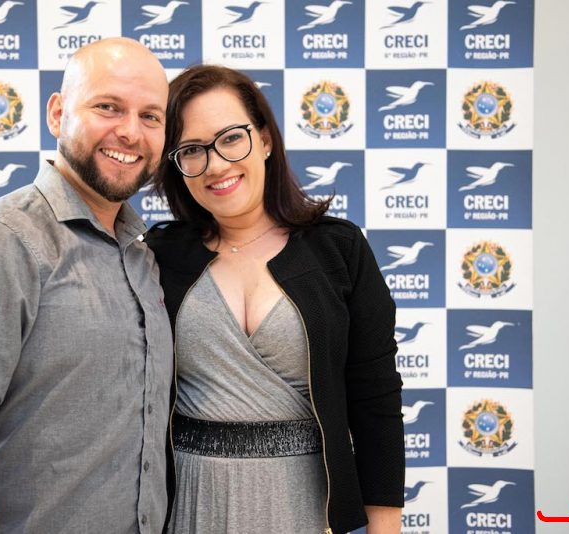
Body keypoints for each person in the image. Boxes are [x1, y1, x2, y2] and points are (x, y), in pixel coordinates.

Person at [0, 38, 174, 534]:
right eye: (108, 107)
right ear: (57, 114)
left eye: (150, 116)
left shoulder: (139, 253)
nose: (130, 131)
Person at [144, 65, 405, 534]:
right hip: (188, 507)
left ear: (264, 139)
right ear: (176, 165)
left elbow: (376, 401)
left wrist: (385, 529)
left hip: (305, 509)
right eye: (192, 150)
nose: (216, 165)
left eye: (231, 138)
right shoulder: (156, 256)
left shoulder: (339, 249)